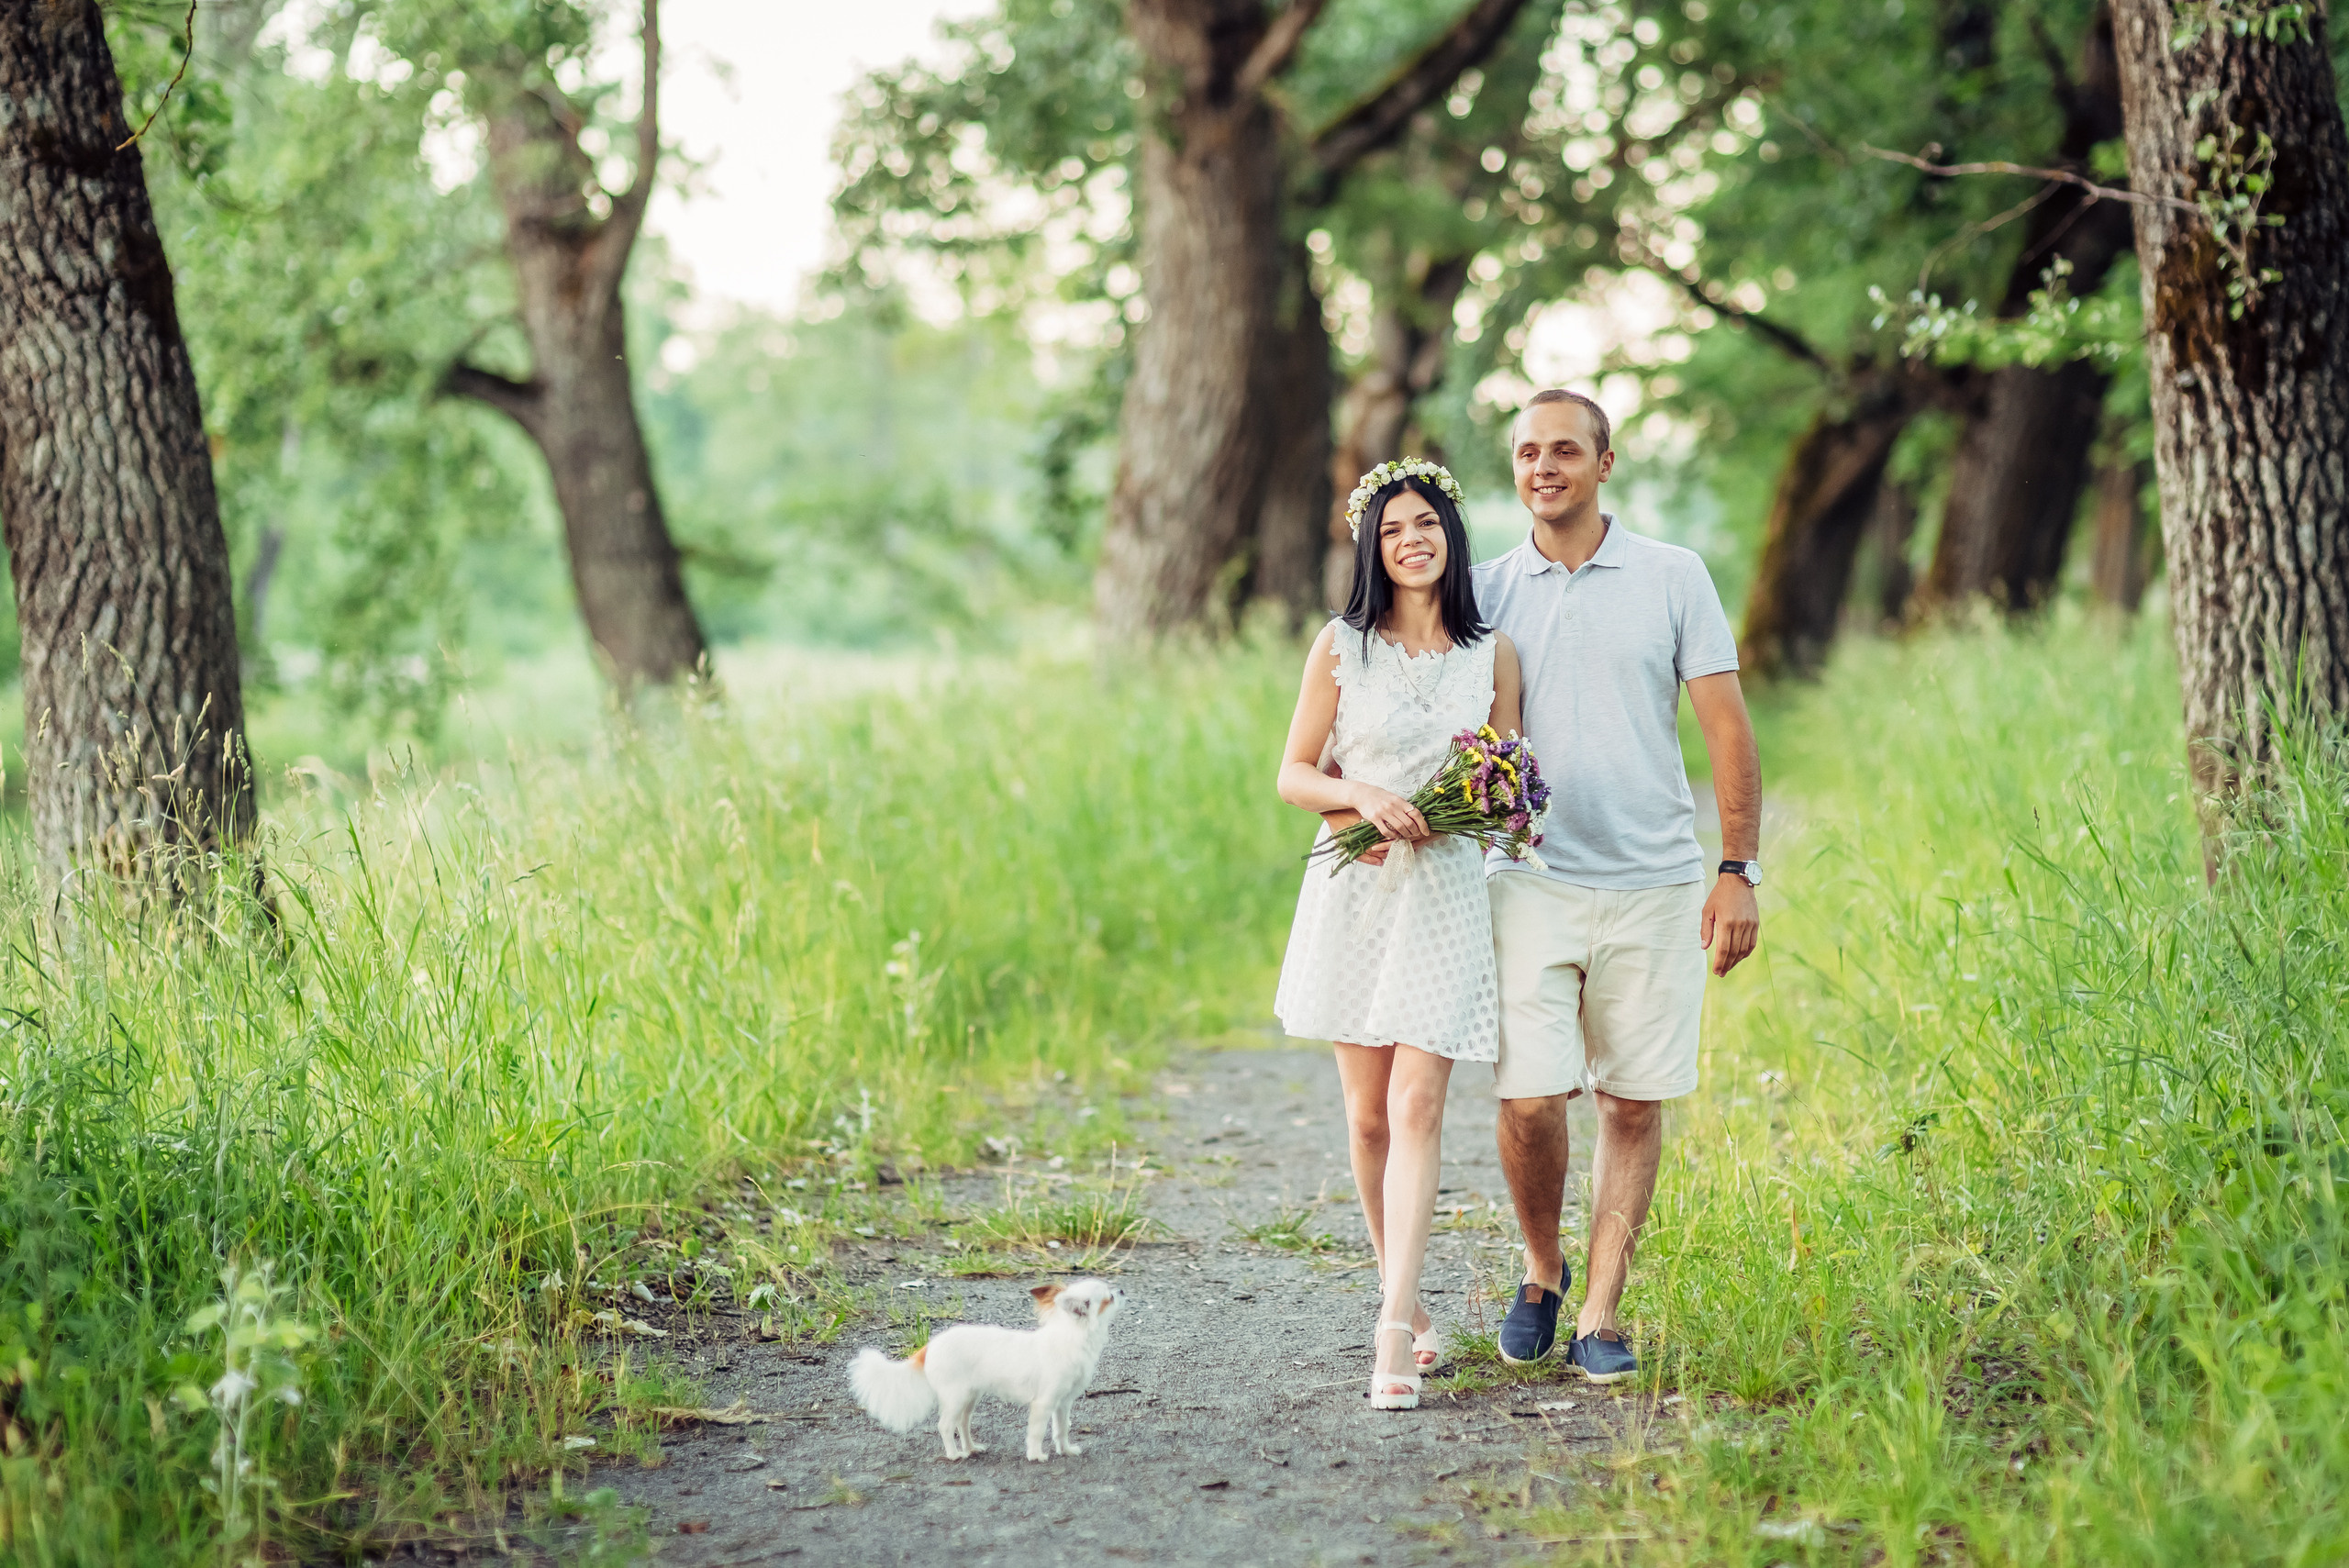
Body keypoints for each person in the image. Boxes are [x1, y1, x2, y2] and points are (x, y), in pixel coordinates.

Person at [1474, 389, 1763, 1383]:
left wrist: (1736, 868)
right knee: (1528, 1098)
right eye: (1525, 452)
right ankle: (1541, 1267)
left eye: (1563, 450)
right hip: (1528, 881)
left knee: (1632, 1103)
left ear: (1605, 463)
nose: (1542, 466)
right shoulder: (1483, 590)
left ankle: (1598, 1310)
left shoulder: (1673, 576)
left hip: (1651, 883)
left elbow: (1726, 729)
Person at [1273, 460, 1524, 1411]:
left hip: (1446, 892)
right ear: (1371, 547)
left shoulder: (1490, 653)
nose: (1410, 539)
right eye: (1391, 529)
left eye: (1425, 523)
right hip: (1356, 892)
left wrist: (1474, 808)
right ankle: (1406, 1296)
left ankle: (1387, 1325)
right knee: (1369, 1114)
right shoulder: (1341, 645)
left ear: (1451, 535)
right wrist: (1357, 801)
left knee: (1419, 1105)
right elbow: (1295, 771)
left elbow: (1507, 781)